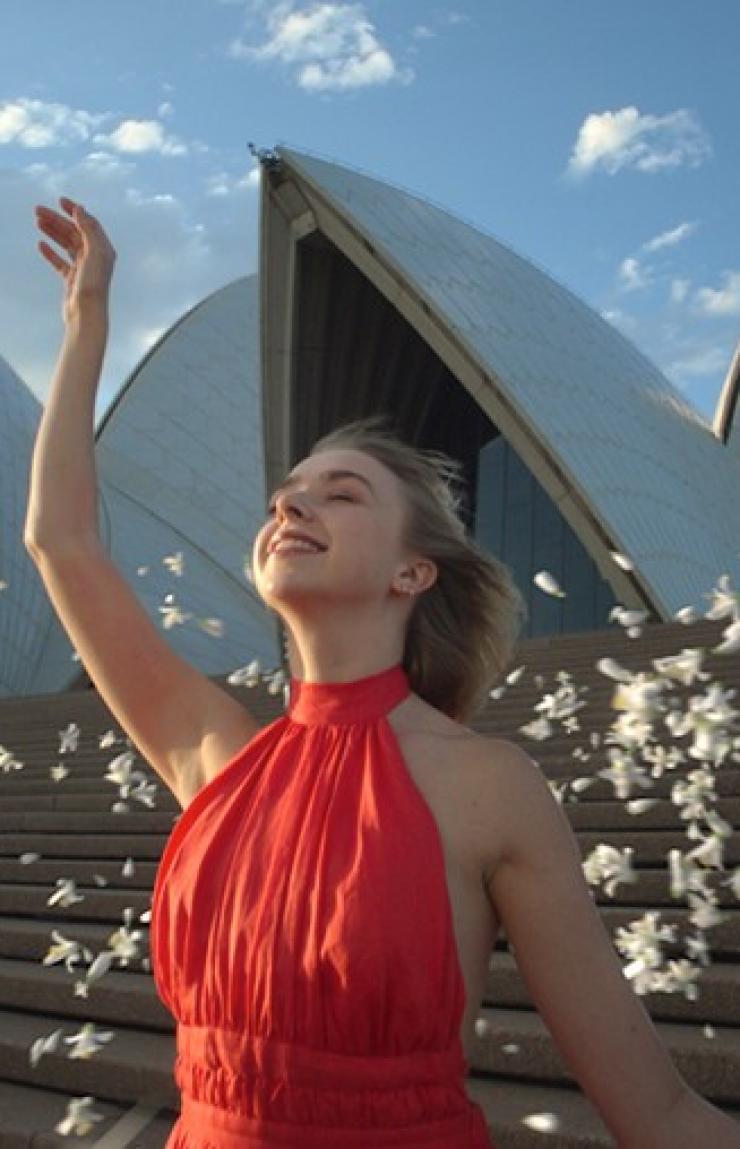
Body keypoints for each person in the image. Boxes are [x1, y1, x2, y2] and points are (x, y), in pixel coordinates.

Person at [27, 199, 740, 1149]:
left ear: (414, 570)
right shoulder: (213, 752)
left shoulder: (491, 786)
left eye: (342, 491)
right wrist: (87, 327)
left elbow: (655, 1110)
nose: (293, 502)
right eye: (286, 493)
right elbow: (62, 541)